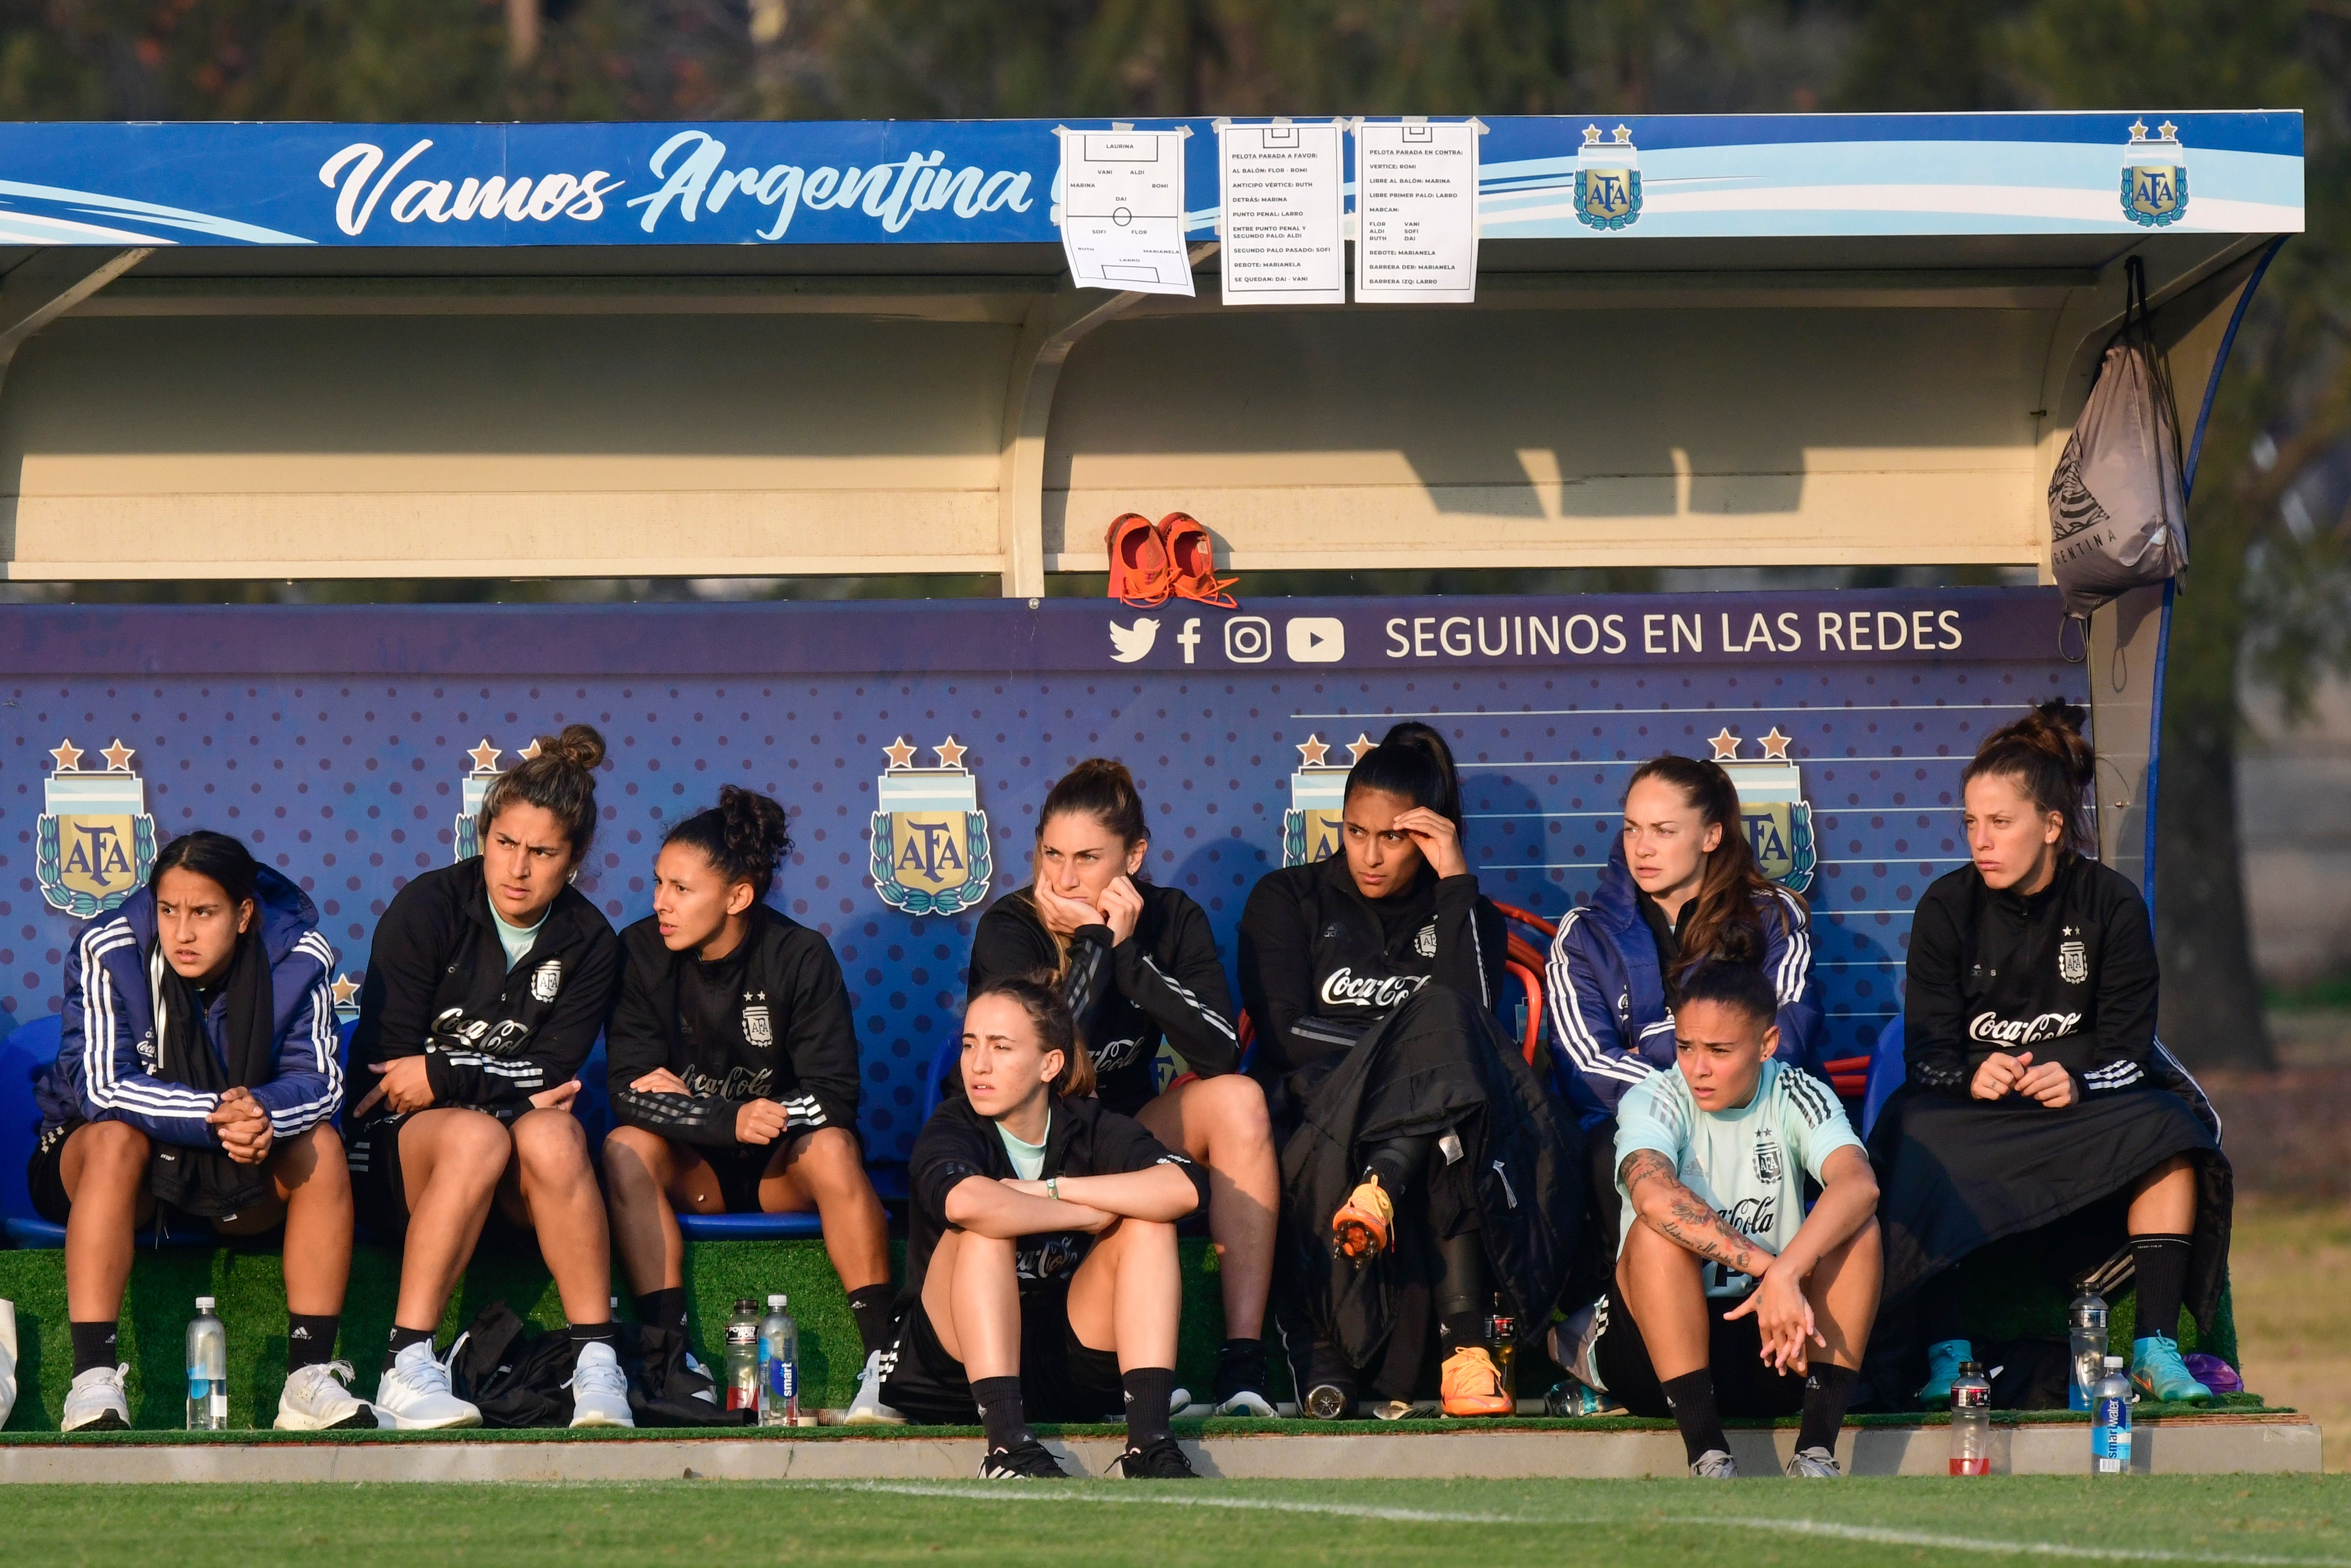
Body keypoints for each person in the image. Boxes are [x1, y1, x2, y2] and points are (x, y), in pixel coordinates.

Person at [1869, 699, 2230, 1406]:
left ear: (2054, 826)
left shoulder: (2112, 904)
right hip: (1977, 1120)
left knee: (2171, 1130)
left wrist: (2080, 1079)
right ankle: (1949, 1350)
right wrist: (1974, 1072)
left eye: (2000, 822)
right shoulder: (1946, 906)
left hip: (2080, 1111)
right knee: (1912, 1127)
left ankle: (2156, 1345)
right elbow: (1926, 1050)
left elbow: (2130, 1045)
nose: (1982, 840)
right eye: (1971, 823)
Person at [1238, 721, 1583, 1420]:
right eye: (1356, 831)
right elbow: (1284, 1034)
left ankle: (1387, 1192)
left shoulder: (1462, 909)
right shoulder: (1288, 899)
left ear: (1430, 835)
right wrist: (1398, 1057)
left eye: (1393, 837)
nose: (1369, 854)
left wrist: (1454, 882)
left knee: (1451, 1086)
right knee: (1438, 1074)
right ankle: (1466, 1348)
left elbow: (1477, 1035)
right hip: (1323, 1118)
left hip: (1432, 1135)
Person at [965, 758, 1276, 1416]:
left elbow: (1219, 1049)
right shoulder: (1010, 926)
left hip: (1125, 1133)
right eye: (1051, 854)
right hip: (1033, 1144)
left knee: (1240, 1101)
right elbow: (1050, 1057)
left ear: (1133, 856)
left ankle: (1244, 1362)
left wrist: (1129, 955)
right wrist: (1093, 943)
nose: (1064, 877)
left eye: (1087, 857)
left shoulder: (1169, 917)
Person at [31, 831, 369, 1432]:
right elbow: (104, 1086)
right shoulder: (112, 946)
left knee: (321, 1144)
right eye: (169, 910)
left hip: (238, 1171)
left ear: (243, 914)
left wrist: (261, 1114)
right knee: (114, 1135)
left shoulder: (299, 956)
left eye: (204, 913)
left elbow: (320, 1083)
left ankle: (307, 1377)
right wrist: (221, 1116)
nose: (182, 932)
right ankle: (93, 1381)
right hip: (114, 1165)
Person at [344, 724, 629, 1430]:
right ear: (483, 833)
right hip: (397, 1156)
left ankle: (598, 1363)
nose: (518, 868)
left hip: (516, 1164)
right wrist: (500, 1086)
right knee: (476, 1135)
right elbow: (389, 1075)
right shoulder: (429, 907)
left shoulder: (590, 939)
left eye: (543, 852)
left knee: (557, 1134)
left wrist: (447, 1072)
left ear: (576, 858)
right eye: (505, 843)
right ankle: (407, 1362)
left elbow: (553, 1074)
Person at [601, 785, 894, 1415]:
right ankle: (669, 1359)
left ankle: (886, 1360)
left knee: (835, 1148)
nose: (660, 903)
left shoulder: (799, 955)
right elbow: (628, 1094)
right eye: (658, 883)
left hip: (775, 1172)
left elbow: (835, 1097)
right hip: (694, 1170)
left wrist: (768, 1118)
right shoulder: (636, 954)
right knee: (625, 1147)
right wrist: (726, 1119)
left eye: (681, 889)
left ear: (738, 896)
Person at [1548, 961, 1880, 1479]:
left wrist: (1789, 1276)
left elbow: (1860, 1184)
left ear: (1767, 1044)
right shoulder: (1655, 1096)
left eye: (1719, 1051)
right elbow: (1654, 1196)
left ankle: (1816, 1450)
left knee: (1859, 1229)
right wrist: (1777, 1271)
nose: (1697, 1068)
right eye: (1685, 1046)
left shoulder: (1797, 1092)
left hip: (1775, 1343)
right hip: (1656, 1360)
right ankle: (1706, 1454)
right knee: (1654, 1234)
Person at [878, 974, 1208, 1478]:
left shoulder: (1093, 1125)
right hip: (952, 1372)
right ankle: (1007, 1446)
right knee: (986, 1226)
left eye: (1001, 1047)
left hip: (1066, 1364)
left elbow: (1183, 1189)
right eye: (970, 1046)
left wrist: (1052, 1189)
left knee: (1149, 1225)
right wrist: (1086, 1213)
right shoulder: (953, 1123)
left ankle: (1149, 1444)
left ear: (1050, 1064)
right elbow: (967, 1202)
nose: (978, 1064)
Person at [1547, 755, 1823, 1259]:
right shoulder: (1584, 934)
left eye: (1664, 830)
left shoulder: (1771, 916)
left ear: (1711, 836)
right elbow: (1584, 1067)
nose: (1643, 847)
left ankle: (1780, 1297)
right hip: (1636, 1125)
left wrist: (1653, 1041)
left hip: (1755, 1117)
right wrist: (1703, 1065)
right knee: (1611, 1142)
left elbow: (1788, 1035)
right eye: (1632, 829)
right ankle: (1629, 1316)